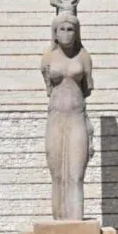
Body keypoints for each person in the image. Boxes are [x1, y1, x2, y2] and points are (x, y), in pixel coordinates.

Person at [40, 11, 94, 221]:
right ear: (54, 33)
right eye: (61, 29)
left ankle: (76, 221)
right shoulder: (48, 58)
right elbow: (48, 88)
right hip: (55, 117)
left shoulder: (84, 57)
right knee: (57, 175)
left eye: (70, 29)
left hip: (77, 117)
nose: (66, 33)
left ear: (77, 32)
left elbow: (86, 88)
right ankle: (59, 221)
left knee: (76, 174)